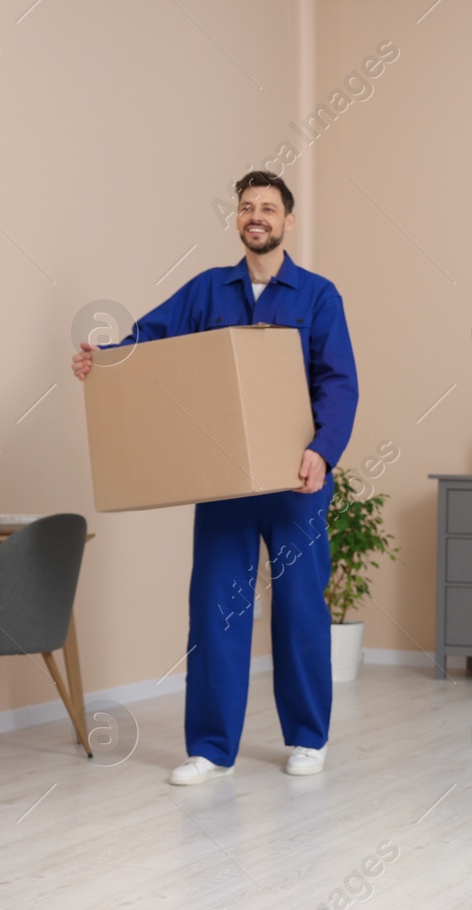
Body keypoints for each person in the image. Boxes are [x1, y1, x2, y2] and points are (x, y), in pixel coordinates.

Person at [72, 171, 358, 785]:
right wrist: (105, 358)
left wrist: (322, 451)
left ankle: (308, 738)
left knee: (301, 608)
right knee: (214, 610)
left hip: (296, 481)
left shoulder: (317, 296)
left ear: (288, 221)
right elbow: (149, 342)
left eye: (269, 208)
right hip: (226, 481)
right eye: (247, 207)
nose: (257, 216)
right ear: (237, 219)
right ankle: (210, 748)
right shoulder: (207, 291)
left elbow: (338, 382)